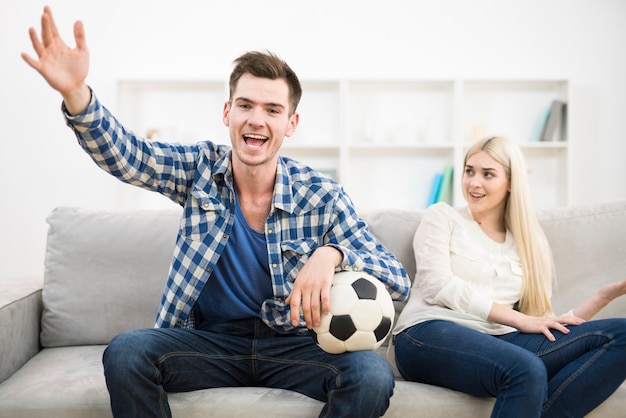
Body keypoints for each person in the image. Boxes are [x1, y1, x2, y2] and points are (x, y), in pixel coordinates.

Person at [22, 6, 411, 418]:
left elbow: (396, 278)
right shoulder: (199, 170)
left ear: (291, 123)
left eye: (272, 110)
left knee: (371, 373)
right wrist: (76, 94)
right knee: (126, 351)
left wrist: (332, 254)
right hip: (213, 342)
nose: (256, 119)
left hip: (296, 346)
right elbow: (129, 156)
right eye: (245, 105)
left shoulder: (322, 195)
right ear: (228, 113)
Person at [390, 135, 626, 417]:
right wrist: (518, 320)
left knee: (621, 334)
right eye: (469, 171)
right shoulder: (442, 217)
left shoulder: (529, 243)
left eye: (488, 174)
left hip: (499, 342)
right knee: (526, 368)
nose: (474, 183)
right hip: (426, 333)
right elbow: (436, 285)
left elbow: (545, 322)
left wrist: (603, 297)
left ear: (511, 182)